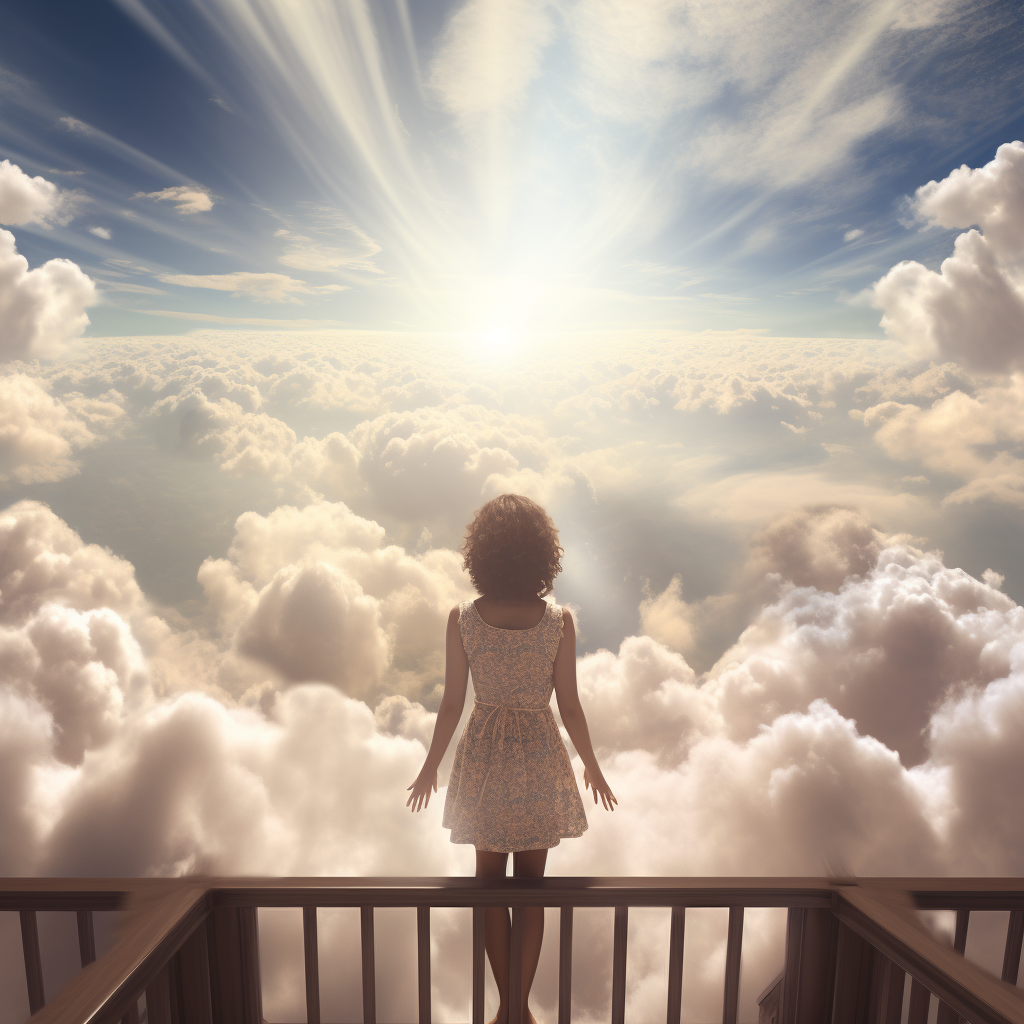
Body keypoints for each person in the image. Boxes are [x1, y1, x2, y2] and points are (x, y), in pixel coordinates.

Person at [407, 493, 616, 1024]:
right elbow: (569, 704)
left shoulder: (462, 620)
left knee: (488, 889)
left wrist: (431, 764)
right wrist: (591, 763)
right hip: (540, 758)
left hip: (483, 762)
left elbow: (453, 702)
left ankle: (509, 1009)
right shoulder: (558, 623)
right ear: (541, 555)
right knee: (532, 892)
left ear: (483, 555)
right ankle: (518, 1009)